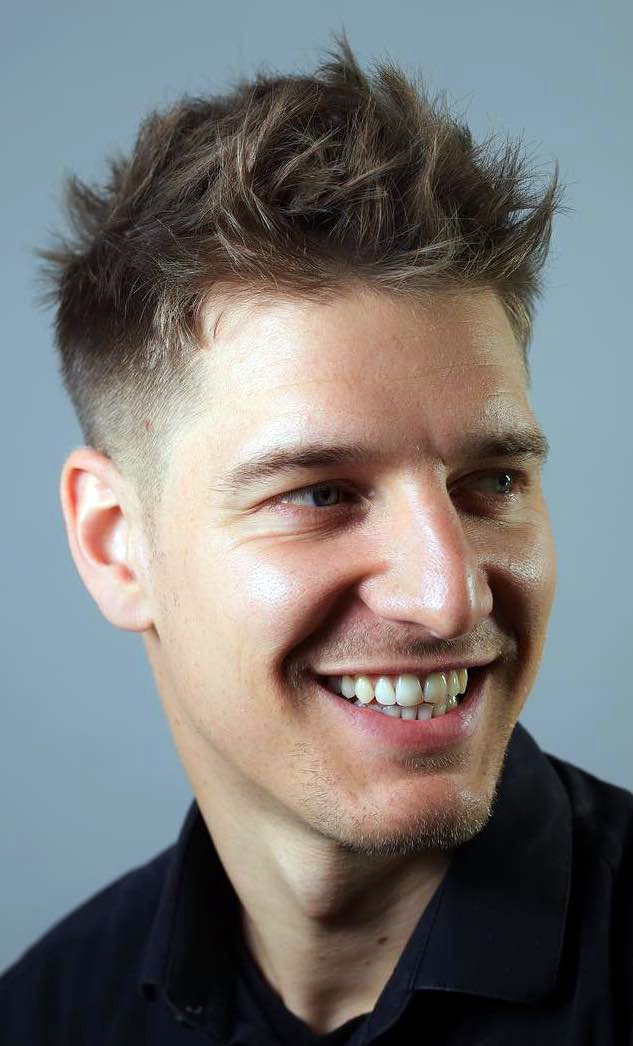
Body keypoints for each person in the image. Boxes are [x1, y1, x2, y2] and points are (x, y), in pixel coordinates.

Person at [1, 36, 631, 1045]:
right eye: (323, 491)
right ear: (118, 544)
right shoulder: (44, 1014)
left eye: (493, 481)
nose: (449, 594)